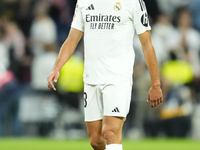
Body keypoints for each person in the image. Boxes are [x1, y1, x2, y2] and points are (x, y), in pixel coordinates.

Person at [47, 0, 163, 150]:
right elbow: (71, 40)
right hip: (91, 78)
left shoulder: (133, 2)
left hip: (118, 78)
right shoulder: (83, 2)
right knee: (95, 140)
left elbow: (147, 44)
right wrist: (56, 68)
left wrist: (156, 84)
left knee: (110, 133)